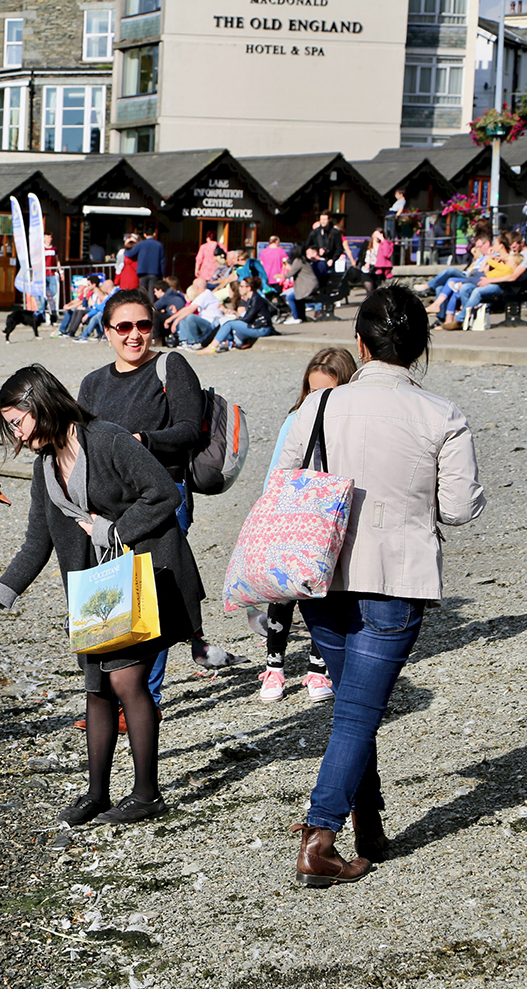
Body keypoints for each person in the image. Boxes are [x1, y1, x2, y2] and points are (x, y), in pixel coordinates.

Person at [277, 285, 483, 886]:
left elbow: (284, 483)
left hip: (321, 573)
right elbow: (461, 508)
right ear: (420, 347)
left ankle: (367, 824)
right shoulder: (442, 415)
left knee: (353, 709)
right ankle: (320, 839)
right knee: (358, 712)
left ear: (360, 342)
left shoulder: (316, 406)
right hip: (397, 575)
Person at [0, 363, 203, 826]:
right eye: (10, 424)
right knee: (96, 689)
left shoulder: (107, 439)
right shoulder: (44, 465)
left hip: (143, 576)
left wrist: (114, 530)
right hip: (92, 590)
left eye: (17, 420)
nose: (15, 432)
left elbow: (165, 495)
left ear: (41, 405)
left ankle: (148, 794)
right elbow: (37, 543)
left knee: (127, 680)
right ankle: (97, 795)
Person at [77, 288, 208, 707]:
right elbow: (80, 445)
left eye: (144, 325)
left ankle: (142, 697)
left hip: (163, 495)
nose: (135, 335)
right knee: (114, 595)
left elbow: (191, 429)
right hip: (108, 504)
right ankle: (116, 692)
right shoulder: (93, 384)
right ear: (108, 331)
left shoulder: (170, 366)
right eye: (125, 327)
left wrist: (143, 441)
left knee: (154, 600)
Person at [249, 347, 358, 702]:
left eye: (326, 391)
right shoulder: (295, 418)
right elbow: (277, 471)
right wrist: (270, 509)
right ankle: (274, 667)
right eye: (312, 391)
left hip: (331, 515)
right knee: (284, 592)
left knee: (325, 590)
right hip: (295, 513)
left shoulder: (354, 421)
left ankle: (317, 669)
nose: (317, 398)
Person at [196, 275, 273, 352]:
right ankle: (222, 344)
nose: (239, 288)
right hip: (256, 326)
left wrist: (235, 319)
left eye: (242, 286)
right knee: (228, 323)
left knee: (229, 324)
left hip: (261, 328)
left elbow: (248, 318)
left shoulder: (256, 299)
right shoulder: (252, 298)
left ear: (248, 288)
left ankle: (212, 347)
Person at [165, 278, 224, 348]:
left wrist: (176, 321)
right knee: (185, 317)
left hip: (211, 325)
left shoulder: (206, 294)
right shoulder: (203, 295)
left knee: (190, 317)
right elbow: (187, 308)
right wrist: (171, 318)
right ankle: (184, 341)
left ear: (196, 287)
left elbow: (191, 309)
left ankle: (193, 341)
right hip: (206, 323)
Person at [279, 247, 319, 324]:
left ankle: (295, 317)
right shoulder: (304, 260)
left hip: (307, 287)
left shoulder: (298, 261)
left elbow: (290, 274)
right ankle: (302, 317)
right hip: (312, 286)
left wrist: (278, 276)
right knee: (298, 298)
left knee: (290, 297)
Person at [124, 230, 164, 299]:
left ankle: (143, 306)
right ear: (154, 234)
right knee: (152, 292)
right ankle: (151, 308)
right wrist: (163, 275)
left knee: (142, 291)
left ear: (144, 235)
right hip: (154, 272)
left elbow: (130, 253)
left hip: (142, 271)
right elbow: (162, 261)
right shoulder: (159, 245)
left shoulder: (140, 244)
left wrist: (125, 248)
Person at [359, 228, 393, 297]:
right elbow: (360, 256)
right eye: (376, 234)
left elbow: (387, 253)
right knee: (369, 291)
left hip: (378, 271)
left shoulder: (384, 244)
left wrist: (383, 240)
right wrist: (365, 263)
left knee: (375, 292)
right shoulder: (367, 244)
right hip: (367, 270)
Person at [150, 279, 185, 345]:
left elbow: (153, 308)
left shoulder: (166, 296)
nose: (154, 294)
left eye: (155, 291)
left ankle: (157, 339)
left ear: (160, 290)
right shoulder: (176, 294)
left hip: (174, 321)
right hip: (180, 320)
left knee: (156, 315)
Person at [42, 232, 61, 318]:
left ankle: (50, 306)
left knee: (53, 291)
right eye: (47, 237)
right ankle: (45, 307)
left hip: (52, 273)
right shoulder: (41, 248)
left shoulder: (54, 248)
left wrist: (60, 271)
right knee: (45, 292)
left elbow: (57, 260)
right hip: (43, 274)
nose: (49, 239)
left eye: (50, 237)